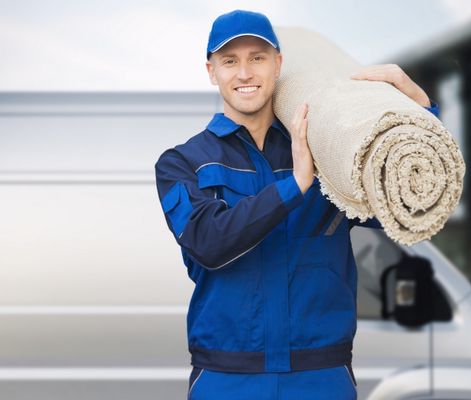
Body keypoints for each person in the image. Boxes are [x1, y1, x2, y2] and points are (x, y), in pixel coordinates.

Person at [154, 9, 440, 400]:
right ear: (211, 71)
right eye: (229, 61)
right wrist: (295, 186)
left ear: (278, 64)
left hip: (321, 376)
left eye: (257, 58)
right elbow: (208, 243)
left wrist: (421, 112)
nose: (244, 73)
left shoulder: (328, 150)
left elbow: (410, 205)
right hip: (226, 378)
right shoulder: (183, 162)